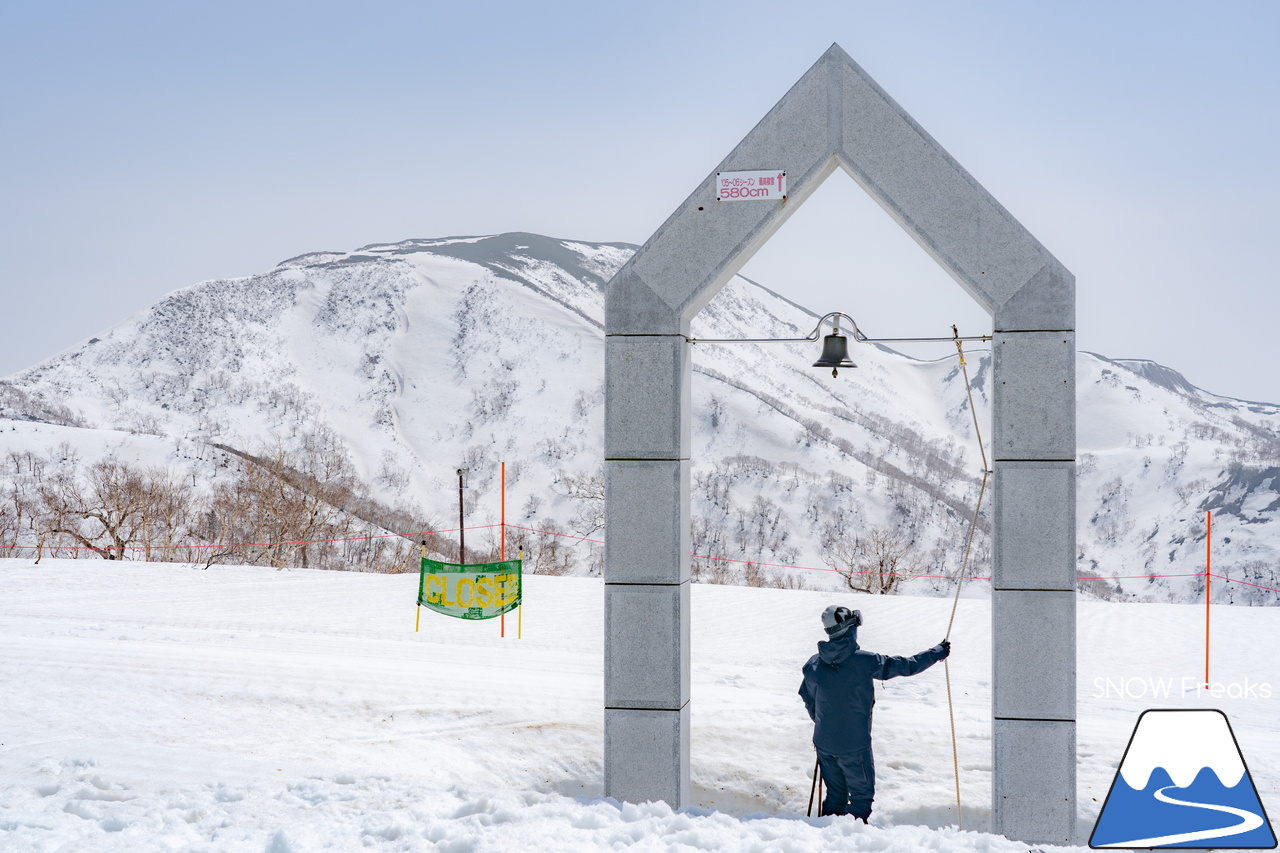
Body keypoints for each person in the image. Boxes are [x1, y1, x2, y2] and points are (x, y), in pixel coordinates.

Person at [798, 605, 950, 821]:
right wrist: (938, 651)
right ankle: (847, 841)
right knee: (861, 800)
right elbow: (907, 666)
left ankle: (825, 838)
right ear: (849, 629)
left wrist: (823, 720)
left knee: (835, 796)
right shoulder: (865, 661)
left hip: (824, 743)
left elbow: (806, 695)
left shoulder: (814, 663)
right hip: (854, 746)